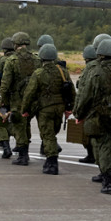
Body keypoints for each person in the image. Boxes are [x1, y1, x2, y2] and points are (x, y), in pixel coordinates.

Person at [75, 39, 111, 195]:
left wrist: (78, 113)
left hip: (100, 116)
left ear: (99, 54)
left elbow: (85, 96)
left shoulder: (95, 72)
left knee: (104, 147)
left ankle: (109, 182)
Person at [22, 44, 75, 174]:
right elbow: (72, 92)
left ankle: (52, 162)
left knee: (48, 135)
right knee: (52, 134)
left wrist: (25, 109)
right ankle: (51, 155)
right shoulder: (63, 72)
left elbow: (30, 93)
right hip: (59, 108)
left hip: (45, 109)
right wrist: (70, 108)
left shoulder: (38, 73)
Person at [0, 31, 39, 166]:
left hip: (17, 100)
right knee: (26, 124)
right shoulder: (36, 59)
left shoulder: (12, 60)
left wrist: (4, 100)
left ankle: (23, 155)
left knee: (19, 126)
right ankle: (25, 150)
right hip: (33, 100)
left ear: (15, 44)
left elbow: (5, 84)